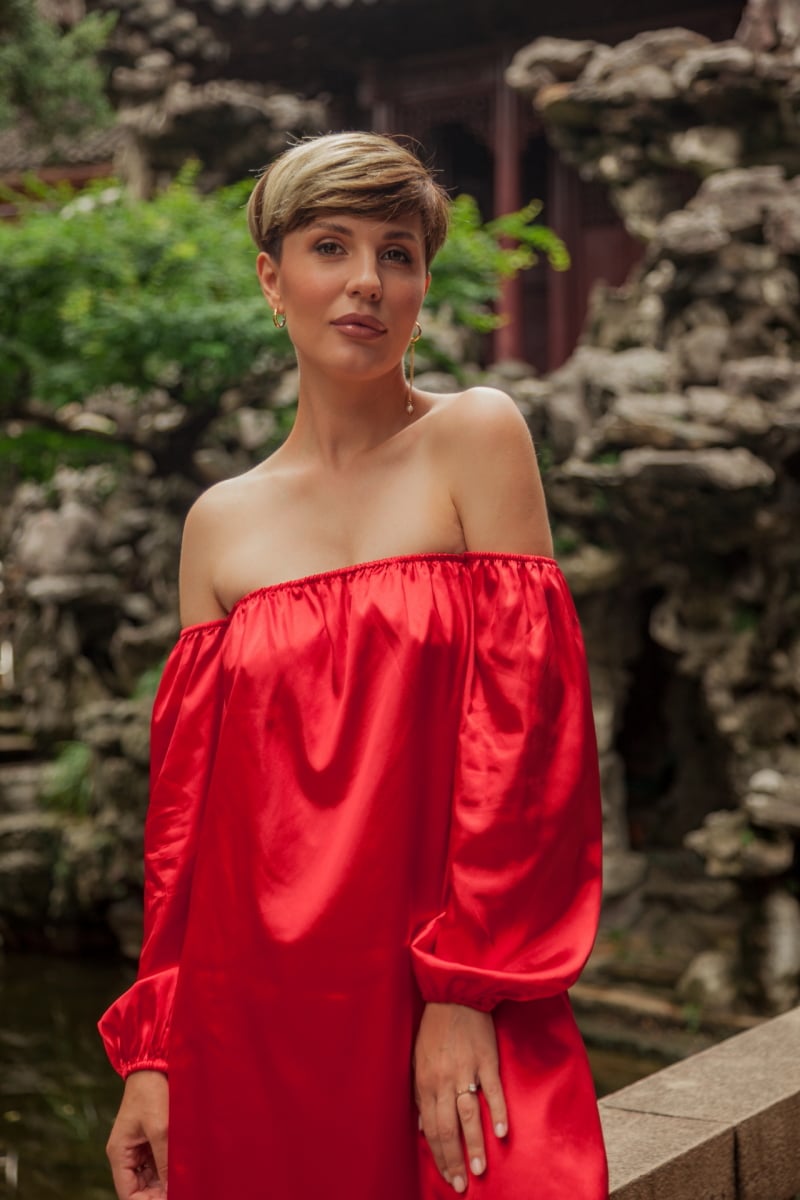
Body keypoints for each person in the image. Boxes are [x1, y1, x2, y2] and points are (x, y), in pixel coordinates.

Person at [99, 131, 607, 1200]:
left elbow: (528, 745)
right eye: (331, 247)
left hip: (445, 992)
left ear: (424, 282)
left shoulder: (476, 436)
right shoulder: (219, 525)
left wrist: (465, 992)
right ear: (271, 278)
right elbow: (182, 836)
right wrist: (151, 1051)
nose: (367, 282)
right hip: (250, 1018)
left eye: (399, 252)